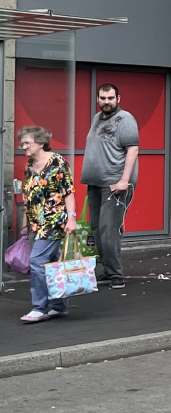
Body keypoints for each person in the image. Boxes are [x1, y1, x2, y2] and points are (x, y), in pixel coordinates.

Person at [80, 82, 139, 289]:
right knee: (96, 229)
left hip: (115, 184)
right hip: (95, 183)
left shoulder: (126, 119)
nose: (106, 102)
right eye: (103, 98)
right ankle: (107, 269)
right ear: (98, 99)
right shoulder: (97, 118)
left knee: (108, 229)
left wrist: (124, 181)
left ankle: (116, 275)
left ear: (118, 99)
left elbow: (132, 150)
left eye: (110, 98)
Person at [18, 126, 80, 323]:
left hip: (55, 220)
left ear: (41, 143)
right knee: (52, 263)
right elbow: (28, 197)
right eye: (22, 143)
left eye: (27, 143)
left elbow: (68, 192)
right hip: (38, 223)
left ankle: (40, 307)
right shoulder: (29, 165)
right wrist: (25, 223)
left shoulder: (57, 162)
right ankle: (59, 306)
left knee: (37, 261)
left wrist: (71, 219)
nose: (23, 146)